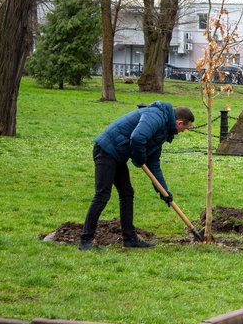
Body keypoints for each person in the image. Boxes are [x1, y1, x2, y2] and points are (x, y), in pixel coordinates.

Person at [80, 102, 194, 250]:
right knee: (102, 195)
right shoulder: (156, 116)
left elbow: (153, 163)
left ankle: (130, 239)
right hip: (106, 150)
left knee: (127, 193)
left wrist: (164, 191)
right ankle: (85, 241)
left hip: (118, 155)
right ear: (179, 123)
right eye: (185, 128)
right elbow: (138, 138)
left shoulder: (163, 130)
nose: (184, 131)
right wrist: (139, 158)